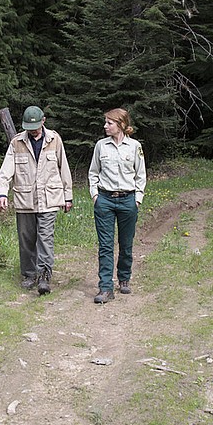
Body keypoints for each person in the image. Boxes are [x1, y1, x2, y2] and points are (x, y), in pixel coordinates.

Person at [0, 105, 73, 294]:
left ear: (43, 121)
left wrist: (68, 195)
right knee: (26, 239)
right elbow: (6, 171)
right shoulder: (16, 142)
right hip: (25, 200)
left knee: (45, 238)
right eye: (29, 128)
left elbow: (64, 167)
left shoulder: (55, 140)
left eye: (36, 127)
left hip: (49, 198)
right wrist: (2, 193)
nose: (32, 131)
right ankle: (29, 274)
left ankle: (44, 276)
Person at [88, 108, 146, 304]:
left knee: (126, 243)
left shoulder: (135, 146)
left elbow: (141, 175)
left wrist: (137, 199)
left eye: (109, 123)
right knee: (105, 245)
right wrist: (95, 195)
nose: (105, 126)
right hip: (104, 200)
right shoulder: (101, 146)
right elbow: (93, 172)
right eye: (105, 122)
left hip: (128, 200)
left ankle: (124, 278)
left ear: (120, 125)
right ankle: (105, 287)